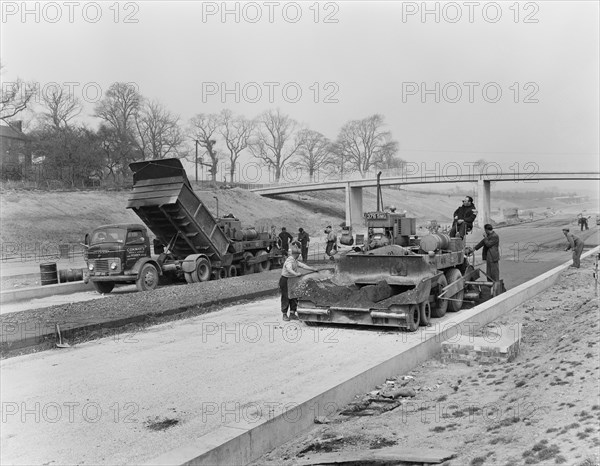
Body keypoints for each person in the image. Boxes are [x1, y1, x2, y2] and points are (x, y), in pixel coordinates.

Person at [279, 245, 318, 321]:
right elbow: (289, 269)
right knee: (286, 297)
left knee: (294, 296)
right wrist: (296, 274)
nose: (299, 256)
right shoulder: (289, 261)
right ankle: (284, 314)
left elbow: (303, 266)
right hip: (286, 280)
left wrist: (312, 269)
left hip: (293, 280)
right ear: (296, 254)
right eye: (299, 255)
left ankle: (292, 313)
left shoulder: (295, 261)